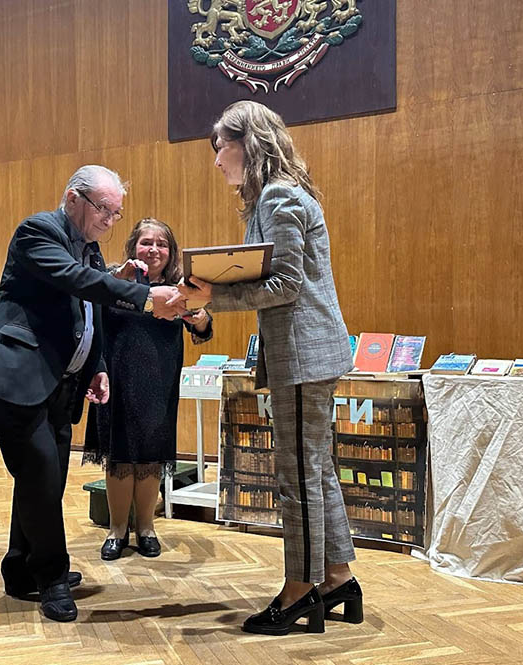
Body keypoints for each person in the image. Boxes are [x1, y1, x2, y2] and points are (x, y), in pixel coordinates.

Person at [0, 165, 184, 623]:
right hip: (15, 376)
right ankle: (52, 579)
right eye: (104, 209)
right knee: (42, 475)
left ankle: (20, 570)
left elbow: (91, 311)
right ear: (73, 199)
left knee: (43, 479)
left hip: (60, 382)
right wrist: (144, 295)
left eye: (116, 213)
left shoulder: (90, 248)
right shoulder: (38, 231)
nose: (110, 220)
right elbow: (75, 281)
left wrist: (96, 366)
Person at [175, 101, 363, 635]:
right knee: (316, 470)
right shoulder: (277, 196)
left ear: (248, 143)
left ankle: (299, 591)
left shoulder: (279, 197)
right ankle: (338, 578)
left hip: (302, 355)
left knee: (296, 476)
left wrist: (211, 296)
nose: (216, 160)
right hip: (308, 354)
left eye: (221, 147)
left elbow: (285, 285)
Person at [83, 218, 213, 561]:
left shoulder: (182, 288)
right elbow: (92, 320)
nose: (154, 249)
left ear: (171, 252)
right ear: (133, 247)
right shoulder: (114, 281)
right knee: (120, 456)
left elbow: (203, 330)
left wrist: (200, 318)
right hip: (116, 380)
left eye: (161, 244)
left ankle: (146, 528)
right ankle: (117, 530)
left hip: (159, 381)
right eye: (146, 242)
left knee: (151, 456)